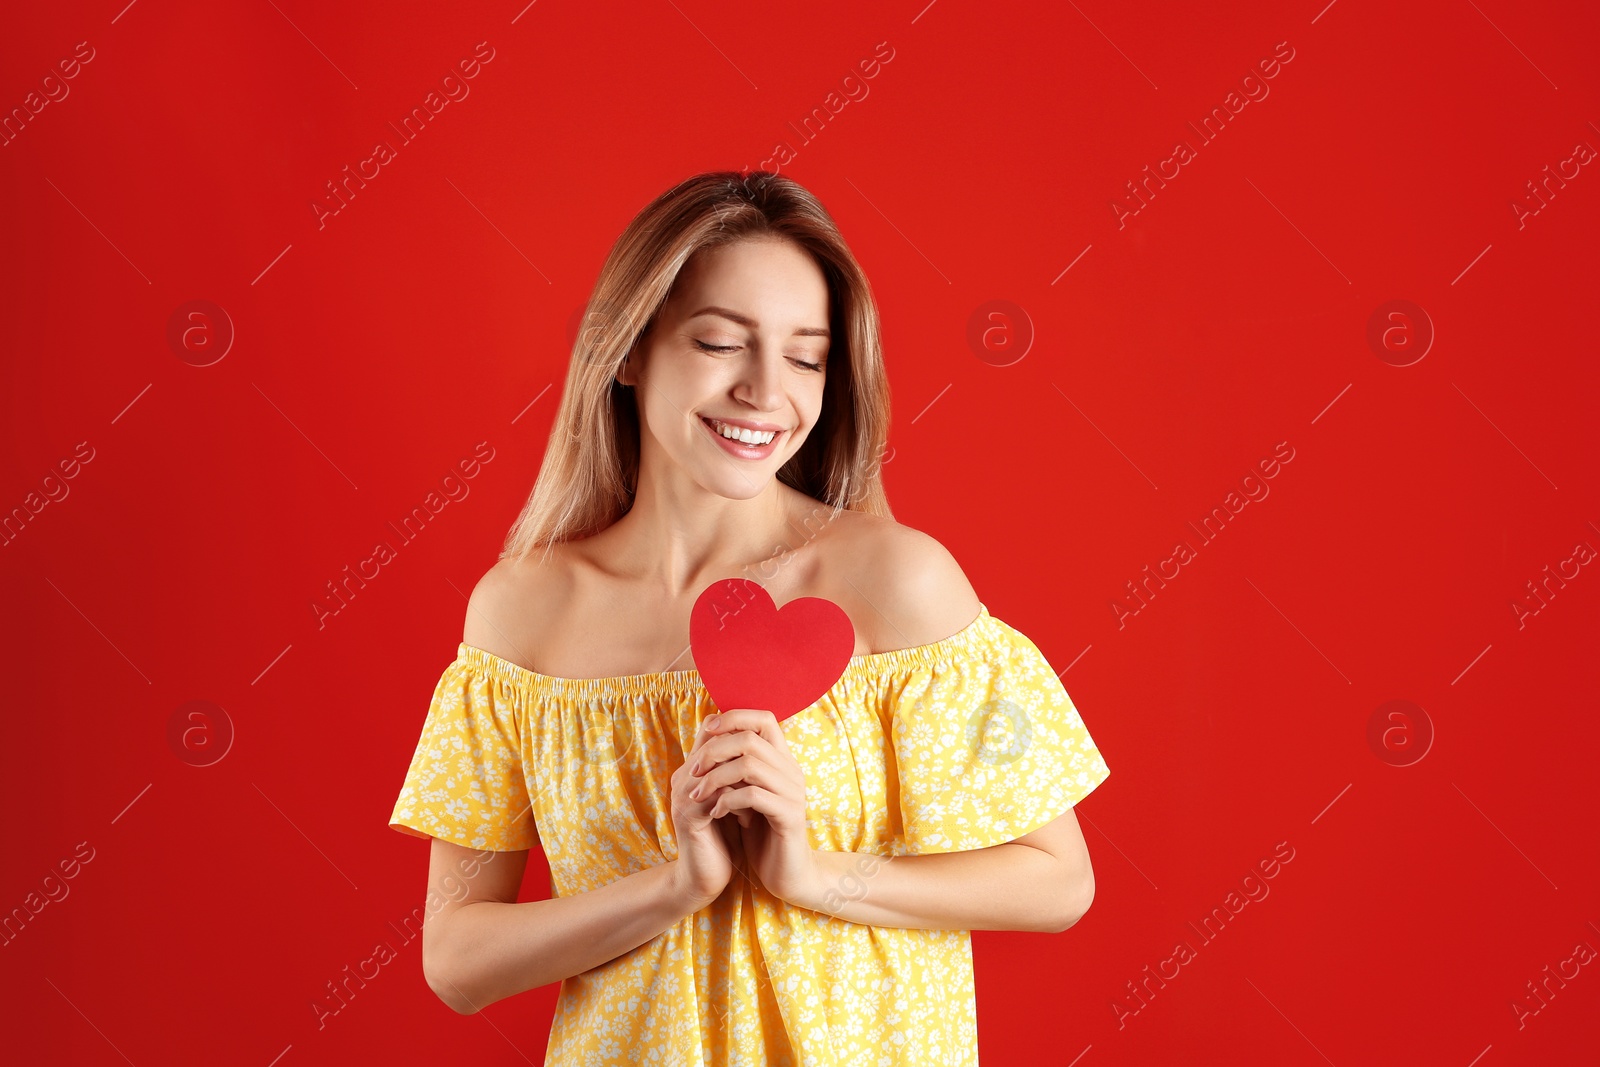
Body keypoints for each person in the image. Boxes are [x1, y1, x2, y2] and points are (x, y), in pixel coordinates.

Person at [388, 170, 1112, 1064]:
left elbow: (1058, 882)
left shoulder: (901, 582)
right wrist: (674, 885)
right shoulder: (520, 613)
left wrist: (814, 875)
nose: (767, 391)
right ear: (628, 350)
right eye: (722, 342)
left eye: (807, 356)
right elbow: (457, 958)